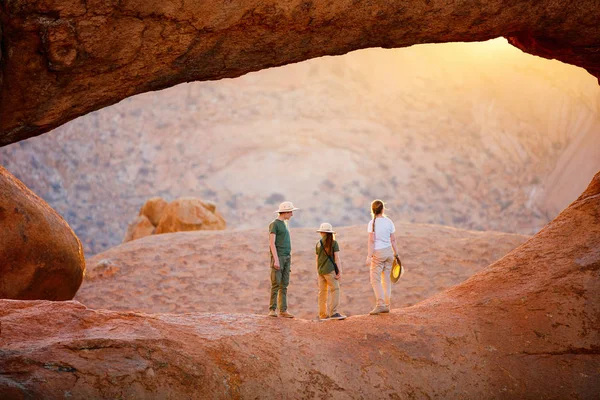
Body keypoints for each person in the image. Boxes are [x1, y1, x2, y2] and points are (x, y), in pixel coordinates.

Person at [365, 199, 399, 315]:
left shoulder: (372, 223)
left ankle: (380, 304)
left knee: (375, 279)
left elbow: (371, 241)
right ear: (383, 209)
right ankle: (387, 305)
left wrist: (369, 256)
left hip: (378, 253)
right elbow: (393, 239)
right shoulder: (389, 221)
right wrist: (396, 253)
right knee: (387, 279)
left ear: (373, 210)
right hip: (389, 252)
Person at [268, 201, 299, 318]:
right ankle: (272, 309)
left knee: (284, 284)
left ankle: (283, 310)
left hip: (286, 256)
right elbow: (272, 243)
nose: (292, 214)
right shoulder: (274, 224)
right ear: (285, 212)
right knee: (276, 284)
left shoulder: (285, 224)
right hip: (279, 256)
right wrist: (276, 259)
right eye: (290, 212)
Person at [315, 223, 346, 320]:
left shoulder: (318, 244)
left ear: (322, 233)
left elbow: (317, 259)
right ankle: (333, 313)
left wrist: (318, 271)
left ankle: (322, 314)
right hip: (329, 270)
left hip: (321, 271)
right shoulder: (333, 243)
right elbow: (337, 258)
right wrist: (339, 272)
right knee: (335, 289)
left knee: (322, 292)